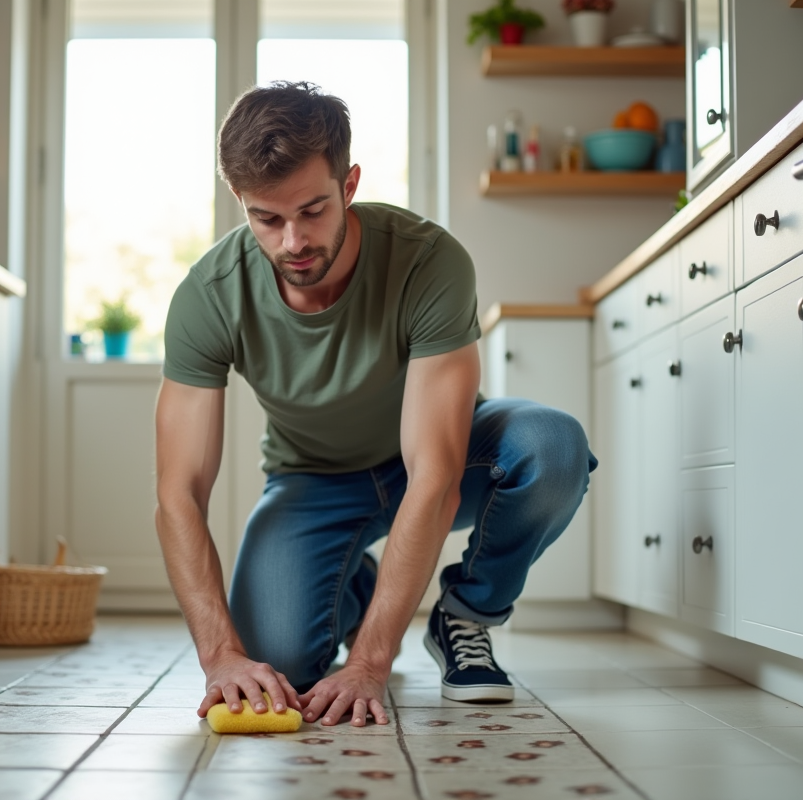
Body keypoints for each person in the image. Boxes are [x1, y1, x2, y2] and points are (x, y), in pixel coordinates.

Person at [155, 81, 596, 729]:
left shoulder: (429, 262)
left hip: (445, 458)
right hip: (313, 480)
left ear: (350, 184)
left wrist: (370, 663)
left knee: (552, 447)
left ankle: (466, 617)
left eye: (313, 210)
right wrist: (220, 656)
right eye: (267, 219)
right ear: (240, 202)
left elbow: (437, 476)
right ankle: (355, 583)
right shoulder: (209, 296)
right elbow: (178, 494)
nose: (292, 243)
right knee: (278, 659)